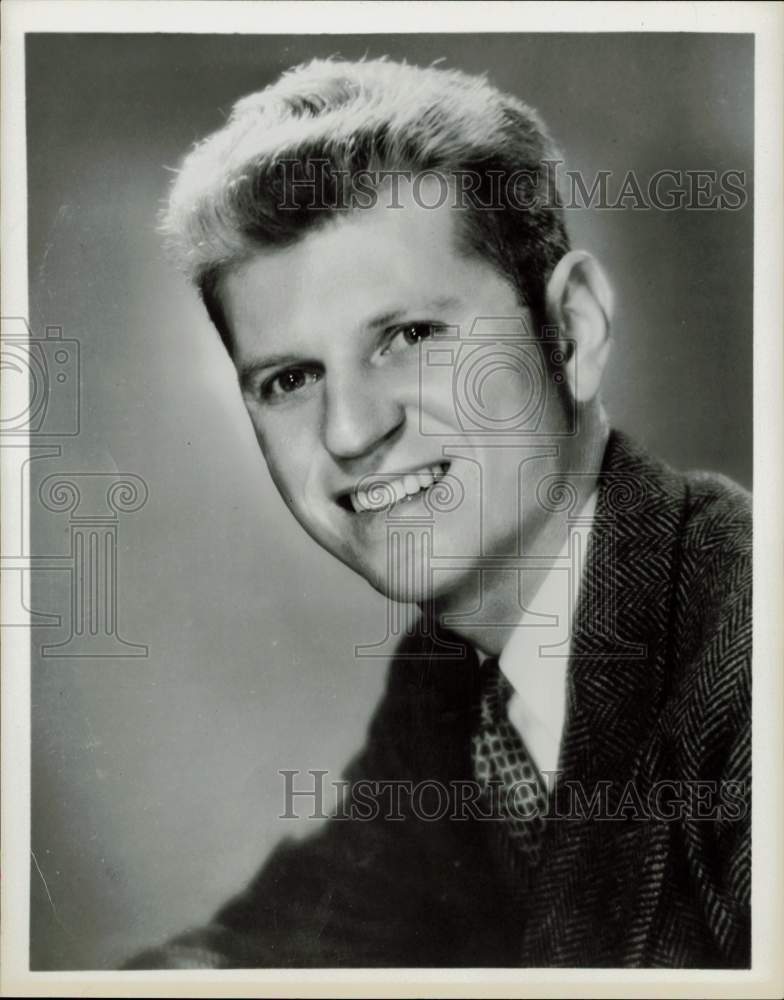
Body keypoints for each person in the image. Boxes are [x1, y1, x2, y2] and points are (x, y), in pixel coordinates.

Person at [126, 57, 751, 969]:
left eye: (411, 337)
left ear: (570, 331)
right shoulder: (451, 677)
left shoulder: (746, 645)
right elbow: (280, 947)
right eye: (291, 379)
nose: (349, 430)